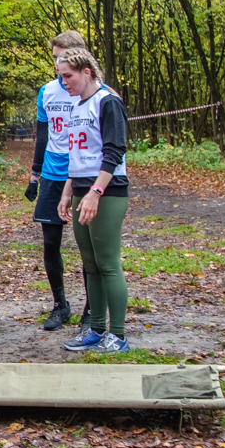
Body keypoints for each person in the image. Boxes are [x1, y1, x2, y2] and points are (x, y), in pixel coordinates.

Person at [55, 47, 130, 353]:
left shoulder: (107, 102)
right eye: (60, 77)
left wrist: (95, 193)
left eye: (68, 76)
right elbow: (78, 155)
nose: (64, 83)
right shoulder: (76, 106)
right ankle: (96, 329)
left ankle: (118, 334)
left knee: (108, 263)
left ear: (86, 72)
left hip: (106, 192)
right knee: (90, 265)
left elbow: (114, 152)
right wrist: (68, 191)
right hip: (82, 191)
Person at [26, 30, 93, 332]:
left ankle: (92, 308)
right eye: (54, 58)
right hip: (53, 174)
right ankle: (60, 305)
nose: (57, 65)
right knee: (51, 243)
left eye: (62, 58)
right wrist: (34, 174)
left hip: (82, 174)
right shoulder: (47, 91)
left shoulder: (92, 92)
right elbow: (43, 133)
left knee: (87, 245)